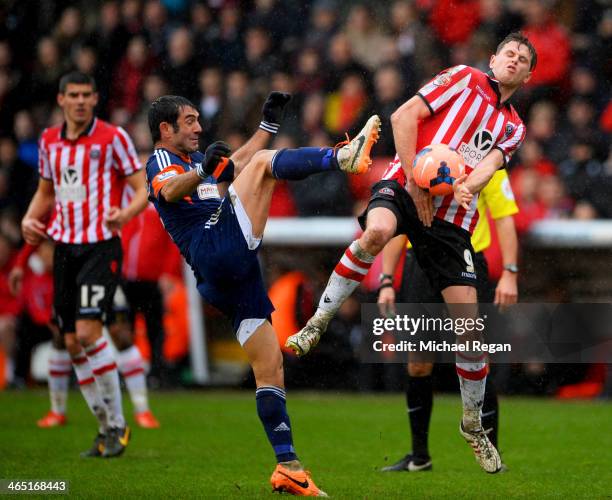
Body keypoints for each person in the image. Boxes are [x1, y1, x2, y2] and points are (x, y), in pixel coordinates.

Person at [286, 32, 536, 474]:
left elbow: (489, 168)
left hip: (451, 223)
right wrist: (417, 183)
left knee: (470, 333)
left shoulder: (514, 126)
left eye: (523, 60)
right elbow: (402, 116)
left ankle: (473, 426)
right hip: (406, 185)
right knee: (376, 231)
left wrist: (463, 186)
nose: (514, 62)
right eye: (509, 54)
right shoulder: (461, 77)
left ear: (529, 74)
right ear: (493, 58)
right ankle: (317, 322)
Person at [146, 91, 380, 496]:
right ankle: (341, 157)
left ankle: (287, 466)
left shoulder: (196, 162)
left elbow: (234, 163)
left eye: (198, 119)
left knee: (270, 368)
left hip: (226, 274)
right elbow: (168, 192)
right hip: (213, 249)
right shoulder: (163, 161)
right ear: (165, 129)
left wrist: (266, 127)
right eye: (189, 121)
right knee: (263, 165)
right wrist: (204, 172)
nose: (199, 127)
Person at [21, 71, 148, 457]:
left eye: (86, 95)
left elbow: (144, 189)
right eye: (72, 95)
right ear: (61, 100)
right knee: (71, 340)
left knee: (91, 333)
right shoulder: (48, 141)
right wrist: (30, 218)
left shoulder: (113, 139)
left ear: (95, 99)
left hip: (100, 247)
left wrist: (123, 215)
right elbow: (46, 192)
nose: (79, 101)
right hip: (63, 247)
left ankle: (121, 425)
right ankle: (105, 426)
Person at [378, 168, 519, 472]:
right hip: (420, 261)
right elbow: (396, 223)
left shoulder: (487, 163)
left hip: (467, 258)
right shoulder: (418, 163)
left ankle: (491, 452)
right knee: (418, 360)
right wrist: (387, 279)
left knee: (478, 355)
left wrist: (510, 271)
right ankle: (419, 457)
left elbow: (504, 216)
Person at [9, 239, 161, 430]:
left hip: (100, 263)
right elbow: (37, 223)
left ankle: (142, 409)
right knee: (63, 338)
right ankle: (58, 410)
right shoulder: (57, 216)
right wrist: (21, 262)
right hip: (69, 267)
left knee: (120, 334)